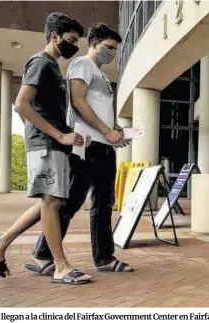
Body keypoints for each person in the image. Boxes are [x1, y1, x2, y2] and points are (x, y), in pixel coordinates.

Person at [0, 12, 92, 285]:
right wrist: (57, 136)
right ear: (55, 36)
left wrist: (69, 134)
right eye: (71, 40)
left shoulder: (51, 66)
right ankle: (61, 266)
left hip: (52, 143)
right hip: (47, 145)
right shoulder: (41, 63)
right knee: (51, 203)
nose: (73, 46)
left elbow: (42, 109)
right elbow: (21, 104)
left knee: (50, 203)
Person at [29, 23, 134, 274]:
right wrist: (106, 132)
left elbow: (97, 107)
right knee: (74, 200)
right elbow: (77, 101)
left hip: (103, 145)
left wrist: (115, 129)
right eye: (108, 47)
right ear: (94, 43)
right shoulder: (82, 64)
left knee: (104, 202)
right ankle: (43, 253)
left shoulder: (101, 75)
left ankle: (103, 257)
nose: (111, 53)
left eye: (115, 50)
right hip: (88, 145)